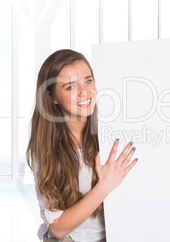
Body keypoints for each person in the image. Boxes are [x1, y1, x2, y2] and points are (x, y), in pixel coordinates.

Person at [26, 49, 138, 242]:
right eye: (70, 87)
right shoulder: (44, 148)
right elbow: (58, 229)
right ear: (52, 98)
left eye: (88, 80)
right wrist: (105, 186)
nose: (85, 92)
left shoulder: (112, 132)